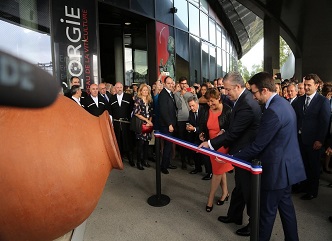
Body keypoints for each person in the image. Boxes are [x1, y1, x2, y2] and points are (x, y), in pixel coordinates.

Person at [233, 72, 306, 241]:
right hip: (286, 169)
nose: (253, 96)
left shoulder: (273, 111)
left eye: (254, 92)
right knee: (286, 209)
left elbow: (259, 145)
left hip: (276, 171)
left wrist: (234, 157)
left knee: (266, 214)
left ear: (264, 90)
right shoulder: (283, 104)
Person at [198, 71, 261, 237]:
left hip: (246, 155)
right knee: (239, 188)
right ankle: (234, 216)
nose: (225, 92)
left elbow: (234, 134)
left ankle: (254, 225)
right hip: (239, 152)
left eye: (227, 89)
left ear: (238, 87)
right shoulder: (242, 100)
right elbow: (233, 127)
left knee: (248, 191)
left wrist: (210, 144)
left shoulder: (247, 103)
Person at [292, 73, 330, 200]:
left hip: (314, 141)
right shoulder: (299, 100)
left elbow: (324, 122)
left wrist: (320, 140)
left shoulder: (323, 101)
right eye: (305, 85)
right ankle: (303, 186)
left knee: (313, 167)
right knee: (302, 164)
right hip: (299, 139)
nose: (307, 87)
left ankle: (312, 191)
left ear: (317, 85)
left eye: (309, 85)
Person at [200, 88, 233, 212]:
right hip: (210, 145)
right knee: (219, 170)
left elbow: (232, 129)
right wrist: (202, 134)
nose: (210, 104)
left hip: (223, 146)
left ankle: (210, 199)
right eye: (208, 101)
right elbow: (204, 126)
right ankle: (225, 193)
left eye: (212, 101)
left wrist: (223, 131)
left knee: (217, 172)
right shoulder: (206, 111)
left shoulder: (228, 110)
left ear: (219, 98)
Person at [186, 96, 212, 180]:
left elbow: (204, 125)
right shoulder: (190, 112)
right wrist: (189, 127)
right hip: (195, 135)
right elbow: (190, 122)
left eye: (193, 105)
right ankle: (198, 168)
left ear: (197, 103)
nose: (191, 108)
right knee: (194, 152)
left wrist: (195, 129)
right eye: (190, 106)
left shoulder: (204, 111)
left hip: (205, 135)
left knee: (205, 155)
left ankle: (209, 172)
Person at [109, 82, 135, 166]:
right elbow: (110, 112)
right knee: (118, 141)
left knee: (128, 140)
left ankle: (131, 159)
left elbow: (132, 110)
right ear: (115, 88)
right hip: (116, 124)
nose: (119, 89)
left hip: (126, 123)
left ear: (122, 88)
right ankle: (119, 160)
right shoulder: (112, 98)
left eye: (120, 87)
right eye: (117, 87)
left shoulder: (128, 97)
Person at [158, 76, 177, 174]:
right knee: (167, 146)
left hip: (171, 124)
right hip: (166, 125)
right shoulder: (163, 95)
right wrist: (169, 124)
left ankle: (167, 163)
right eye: (168, 83)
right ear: (164, 84)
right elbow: (163, 111)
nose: (170, 85)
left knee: (169, 145)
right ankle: (163, 166)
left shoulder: (170, 93)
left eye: (171, 83)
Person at [132, 84, 153, 170]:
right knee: (140, 144)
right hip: (141, 124)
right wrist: (147, 121)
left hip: (148, 124)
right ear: (140, 91)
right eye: (143, 90)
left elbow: (151, 112)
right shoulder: (138, 100)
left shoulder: (149, 100)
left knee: (147, 143)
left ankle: (145, 160)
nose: (145, 91)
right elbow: (136, 113)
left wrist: (150, 121)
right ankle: (139, 162)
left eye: (146, 90)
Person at [174, 76, 193, 169]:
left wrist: (193, 93)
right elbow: (178, 106)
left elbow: (194, 103)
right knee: (182, 141)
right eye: (182, 83)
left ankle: (190, 158)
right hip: (181, 120)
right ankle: (183, 161)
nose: (183, 85)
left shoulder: (190, 92)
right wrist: (181, 95)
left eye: (185, 83)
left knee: (189, 140)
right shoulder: (176, 94)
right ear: (179, 84)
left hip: (190, 119)